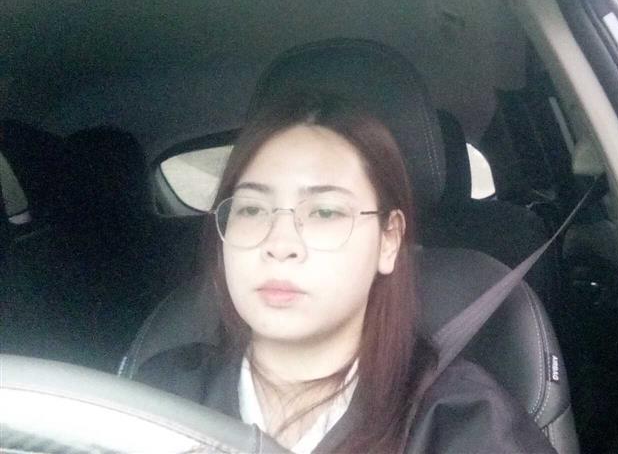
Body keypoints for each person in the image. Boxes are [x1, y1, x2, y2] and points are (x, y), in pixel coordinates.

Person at [134, 92, 556, 454]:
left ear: (388, 241)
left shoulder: (462, 424)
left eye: (324, 212)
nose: (280, 243)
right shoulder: (160, 395)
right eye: (252, 209)